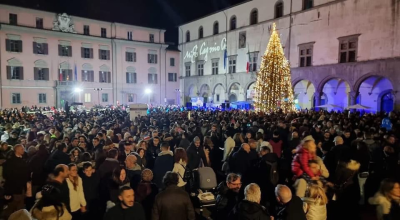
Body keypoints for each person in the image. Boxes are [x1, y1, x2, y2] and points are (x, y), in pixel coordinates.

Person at [2, 144, 30, 219]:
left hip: (21, 188)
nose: (23, 151)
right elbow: (6, 176)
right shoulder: (10, 162)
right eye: (22, 149)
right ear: (16, 150)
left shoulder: (24, 160)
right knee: (12, 207)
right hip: (14, 188)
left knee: (19, 207)